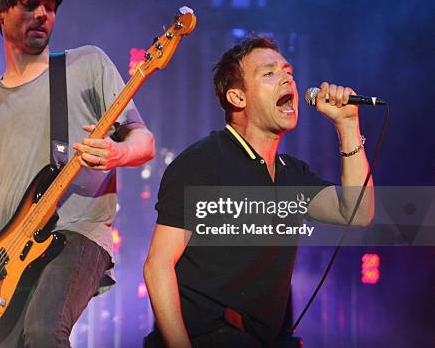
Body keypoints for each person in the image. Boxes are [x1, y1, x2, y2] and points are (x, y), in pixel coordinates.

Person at [0, 0, 155, 347]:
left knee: (44, 332)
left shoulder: (86, 65)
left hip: (77, 231)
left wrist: (117, 151)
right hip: (12, 254)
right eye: (30, 5)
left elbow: (144, 140)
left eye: (50, 6)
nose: (43, 14)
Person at [143, 35, 374, 348]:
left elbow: (357, 212)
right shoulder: (203, 163)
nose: (286, 78)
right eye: (269, 73)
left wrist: (348, 126)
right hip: (208, 335)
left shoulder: (292, 174)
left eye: (287, 71)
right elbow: (158, 265)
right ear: (238, 98)